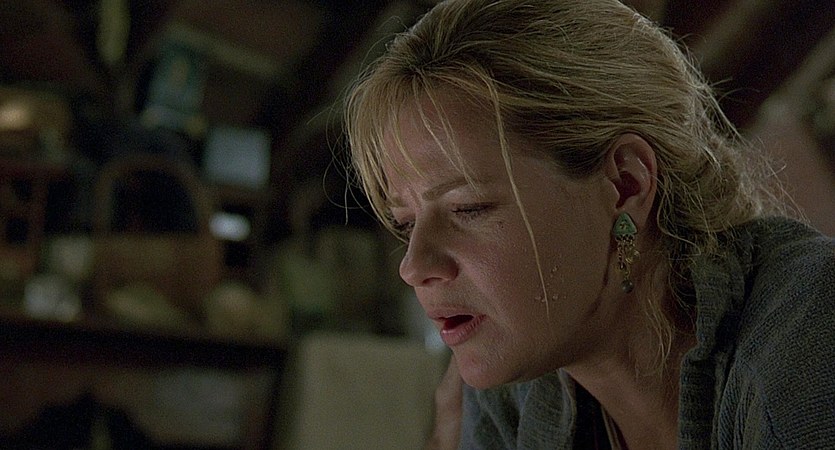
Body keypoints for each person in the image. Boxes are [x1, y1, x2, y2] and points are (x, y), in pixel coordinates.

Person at [343, 0, 835, 448]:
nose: (413, 267)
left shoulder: (809, 341)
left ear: (625, 185)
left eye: (468, 208)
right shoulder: (513, 380)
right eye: (406, 223)